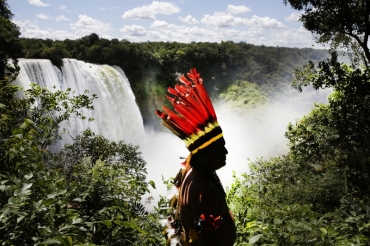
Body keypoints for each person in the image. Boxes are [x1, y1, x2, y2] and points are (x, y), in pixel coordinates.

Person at [155, 68, 236, 246]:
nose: (226, 153)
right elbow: (204, 240)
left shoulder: (193, 169)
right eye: (220, 148)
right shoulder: (202, 190)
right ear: (205, 153)